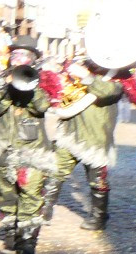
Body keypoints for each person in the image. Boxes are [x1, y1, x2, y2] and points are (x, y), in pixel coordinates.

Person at [0, 36, 57, 254]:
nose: (19, 59)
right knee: (6, 193)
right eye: (15, 55)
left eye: (24, 55)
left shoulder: (44, 81)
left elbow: (42, 107)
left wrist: (29, 87)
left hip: (32, 149)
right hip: (4, 146)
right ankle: (11, 235)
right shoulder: (1, 81)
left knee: (31, 195)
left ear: (33, 59)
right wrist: (5, 89)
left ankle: (29, 244)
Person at [45, 58, 123, 231]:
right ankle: (43, 211)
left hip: (95, 139)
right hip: (69, 134)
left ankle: (98, 217)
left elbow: (106, 91)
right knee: (54, 172)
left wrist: (87, 76)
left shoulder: (118, 79)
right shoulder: (83, 68)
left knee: (97, 181)